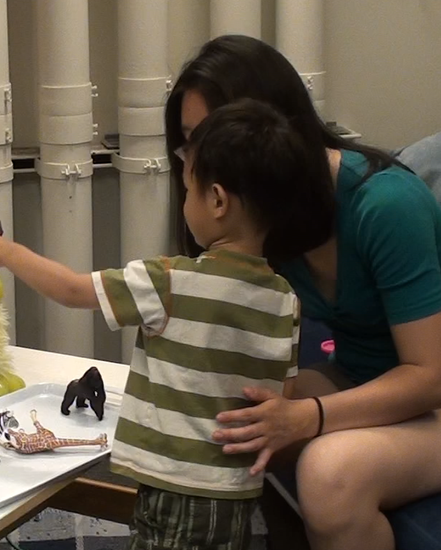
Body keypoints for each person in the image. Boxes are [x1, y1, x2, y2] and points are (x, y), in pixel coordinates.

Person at [0, 98, 323, 549]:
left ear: (216, 200)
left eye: (188, 189)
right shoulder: (286, 301)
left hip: (176, 489)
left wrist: (4, 252)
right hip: (236, 495)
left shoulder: (170, 280)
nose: (184, 201)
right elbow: (280, 400)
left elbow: (75, 291)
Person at [165, 35, 441, 550]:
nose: (200, 166)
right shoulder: (265, 220)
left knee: (328, 473)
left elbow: (429, 377)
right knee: (230, 417)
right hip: (365, 379)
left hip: (432, 398)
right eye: (191, 144)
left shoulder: (385, 206)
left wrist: (306, 418)